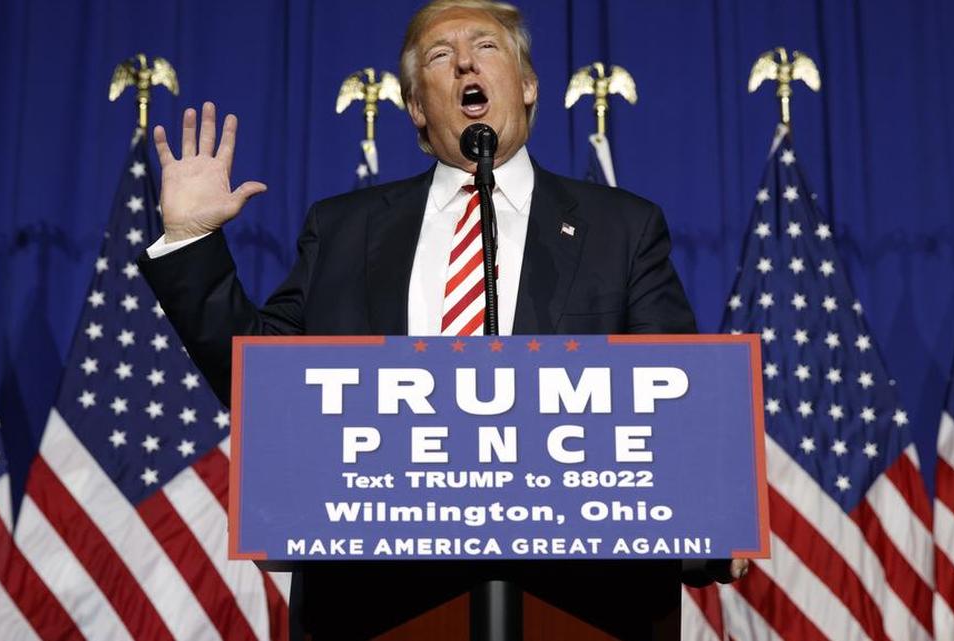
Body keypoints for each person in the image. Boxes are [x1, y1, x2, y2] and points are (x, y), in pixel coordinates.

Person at [140, 1, 748, 638]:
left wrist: (704, 525)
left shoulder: (622, 228)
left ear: (528, 84)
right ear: (416, 108)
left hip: (578, 602)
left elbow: (668, 401)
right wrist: (191, 242)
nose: (463, 61)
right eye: (439, 55)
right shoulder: (344, 230)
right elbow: (261, 385)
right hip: (378, 604)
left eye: (486, 46)